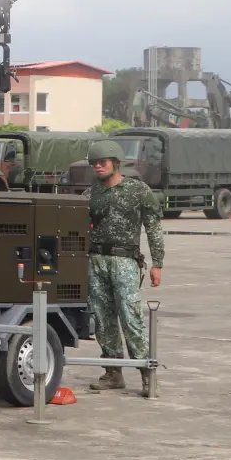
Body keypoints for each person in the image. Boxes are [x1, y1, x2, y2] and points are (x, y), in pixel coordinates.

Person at [83, 140, 164, 396]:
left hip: (125, 261)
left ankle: (146, 374)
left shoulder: (138, 190)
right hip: (96, 261)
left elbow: (153, 227)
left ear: (116, 163)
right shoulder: (90, 195)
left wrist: (157, 263)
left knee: (131, 317)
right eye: (94, 163)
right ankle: (113, 372)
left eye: (102, 162)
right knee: (102, 317)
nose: (97, 167)